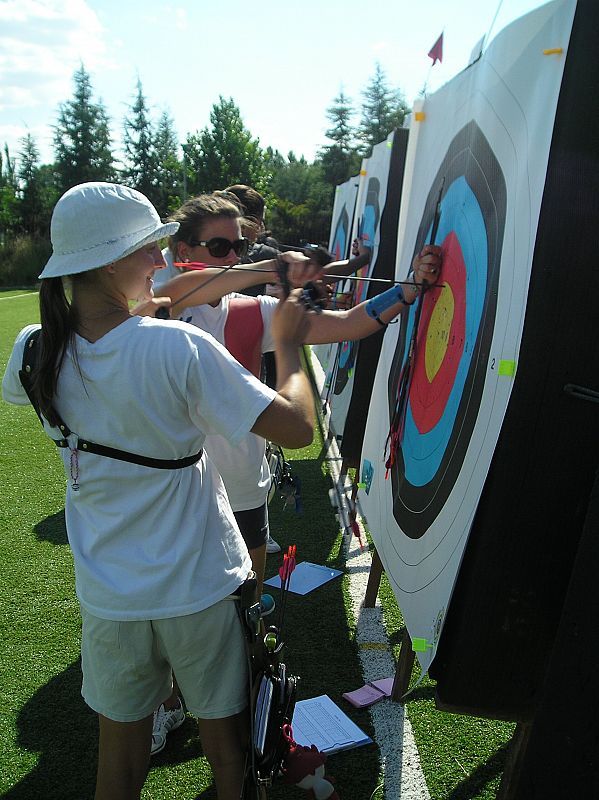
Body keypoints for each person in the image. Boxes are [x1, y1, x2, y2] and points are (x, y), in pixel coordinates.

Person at [1, 181, 315, 800]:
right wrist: (291, 344)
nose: (161, 263)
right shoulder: (179, 347)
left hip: (110, 594)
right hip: (198, 584)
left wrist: (131, 318)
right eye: (150, 249)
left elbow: (105, 352)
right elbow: (298, 428)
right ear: (115, 261)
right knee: (228, 757)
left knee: (117, 763)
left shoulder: (33, 349)